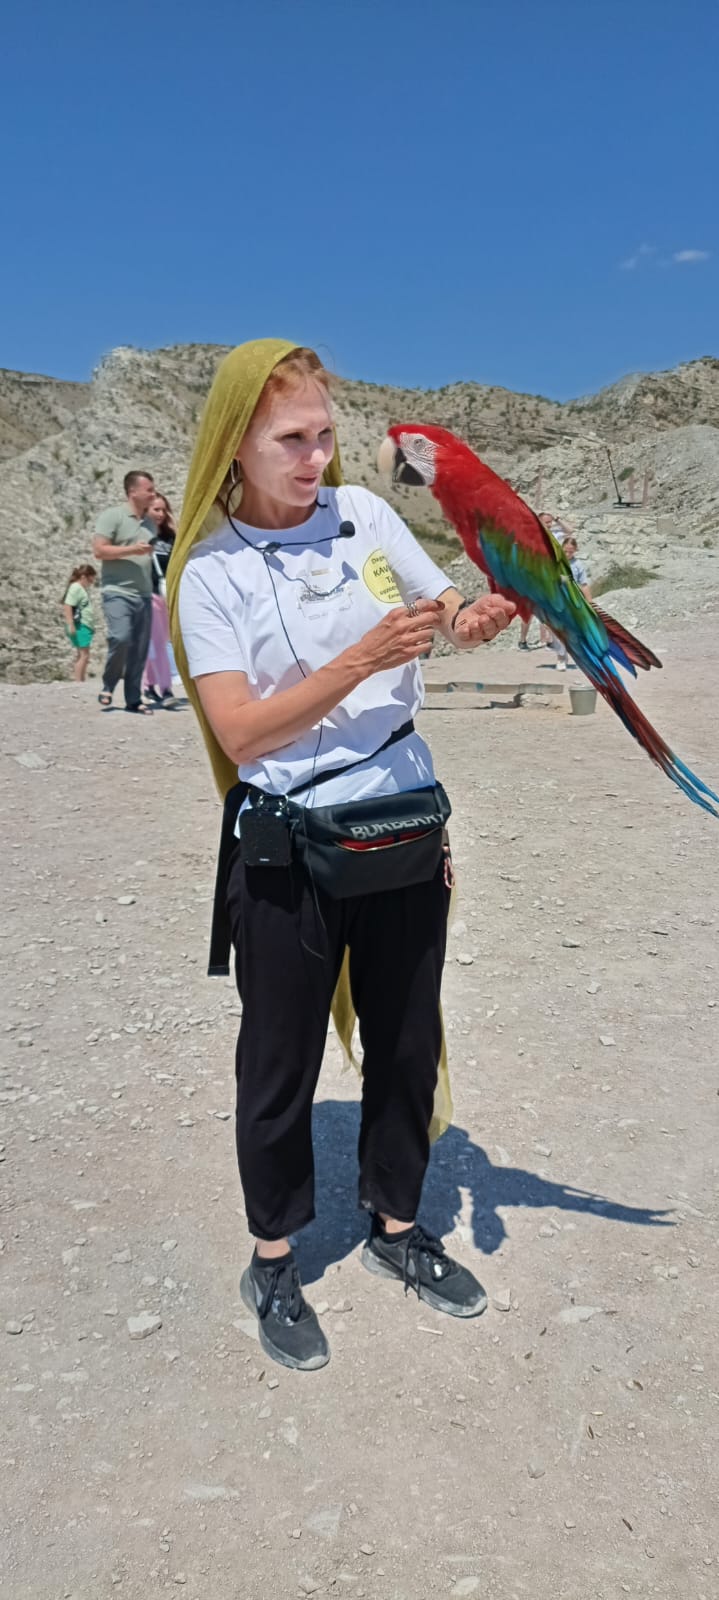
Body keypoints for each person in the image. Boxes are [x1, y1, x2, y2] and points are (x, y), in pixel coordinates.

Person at [168, 339, 515, 1373]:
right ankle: (272, 1256)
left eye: (323, 434)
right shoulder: (209, 571)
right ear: (235, 444)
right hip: (287, 846)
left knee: (408, 1037)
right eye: (292, 439)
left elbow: (436, 610)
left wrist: (469, 619)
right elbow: (240, 732)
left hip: (399, 816)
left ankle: (397, 1228)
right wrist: (358, 658)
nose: (316, 456)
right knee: (279, 1061)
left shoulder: (365, 516)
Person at [93, 470, 156, 713]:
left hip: (144, 594)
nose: (153, 493)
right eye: (149, 489)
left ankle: (133, 699)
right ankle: (108, 685)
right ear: (133, 491)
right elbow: (99, 551)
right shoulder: (113, 516)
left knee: (139, 649)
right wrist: (131, 551)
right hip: (117, 591)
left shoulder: (150, 523)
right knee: (121, 638)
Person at [143, 492, 178, 708]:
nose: (161, 514)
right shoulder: (137, 536)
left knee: (159, 642)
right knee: (158, 642)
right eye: (156, 509)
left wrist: (174, 525)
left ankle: (148, 685)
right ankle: (166, 689)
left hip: (168, 596)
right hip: (148, 595)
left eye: (164, 510)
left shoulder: (170, 538)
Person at [551, 534, 592, 669]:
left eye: (571, 551)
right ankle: (561, 658)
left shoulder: (578, 565)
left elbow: (584, 584)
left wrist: (590, 603)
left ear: (575, 550)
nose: (568, 553)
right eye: (565, 551)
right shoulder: (554, 563)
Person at [62, 563, 97, 681]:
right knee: (84, 655)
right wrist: (70, 624)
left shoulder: (79, 588)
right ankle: (78, 682)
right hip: (80, 626)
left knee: (82, 654)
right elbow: (67, 605)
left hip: (84, 626)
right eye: (90, 580)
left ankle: (81, 680)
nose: (91, 583)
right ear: (83, 577)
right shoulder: (76, 587)